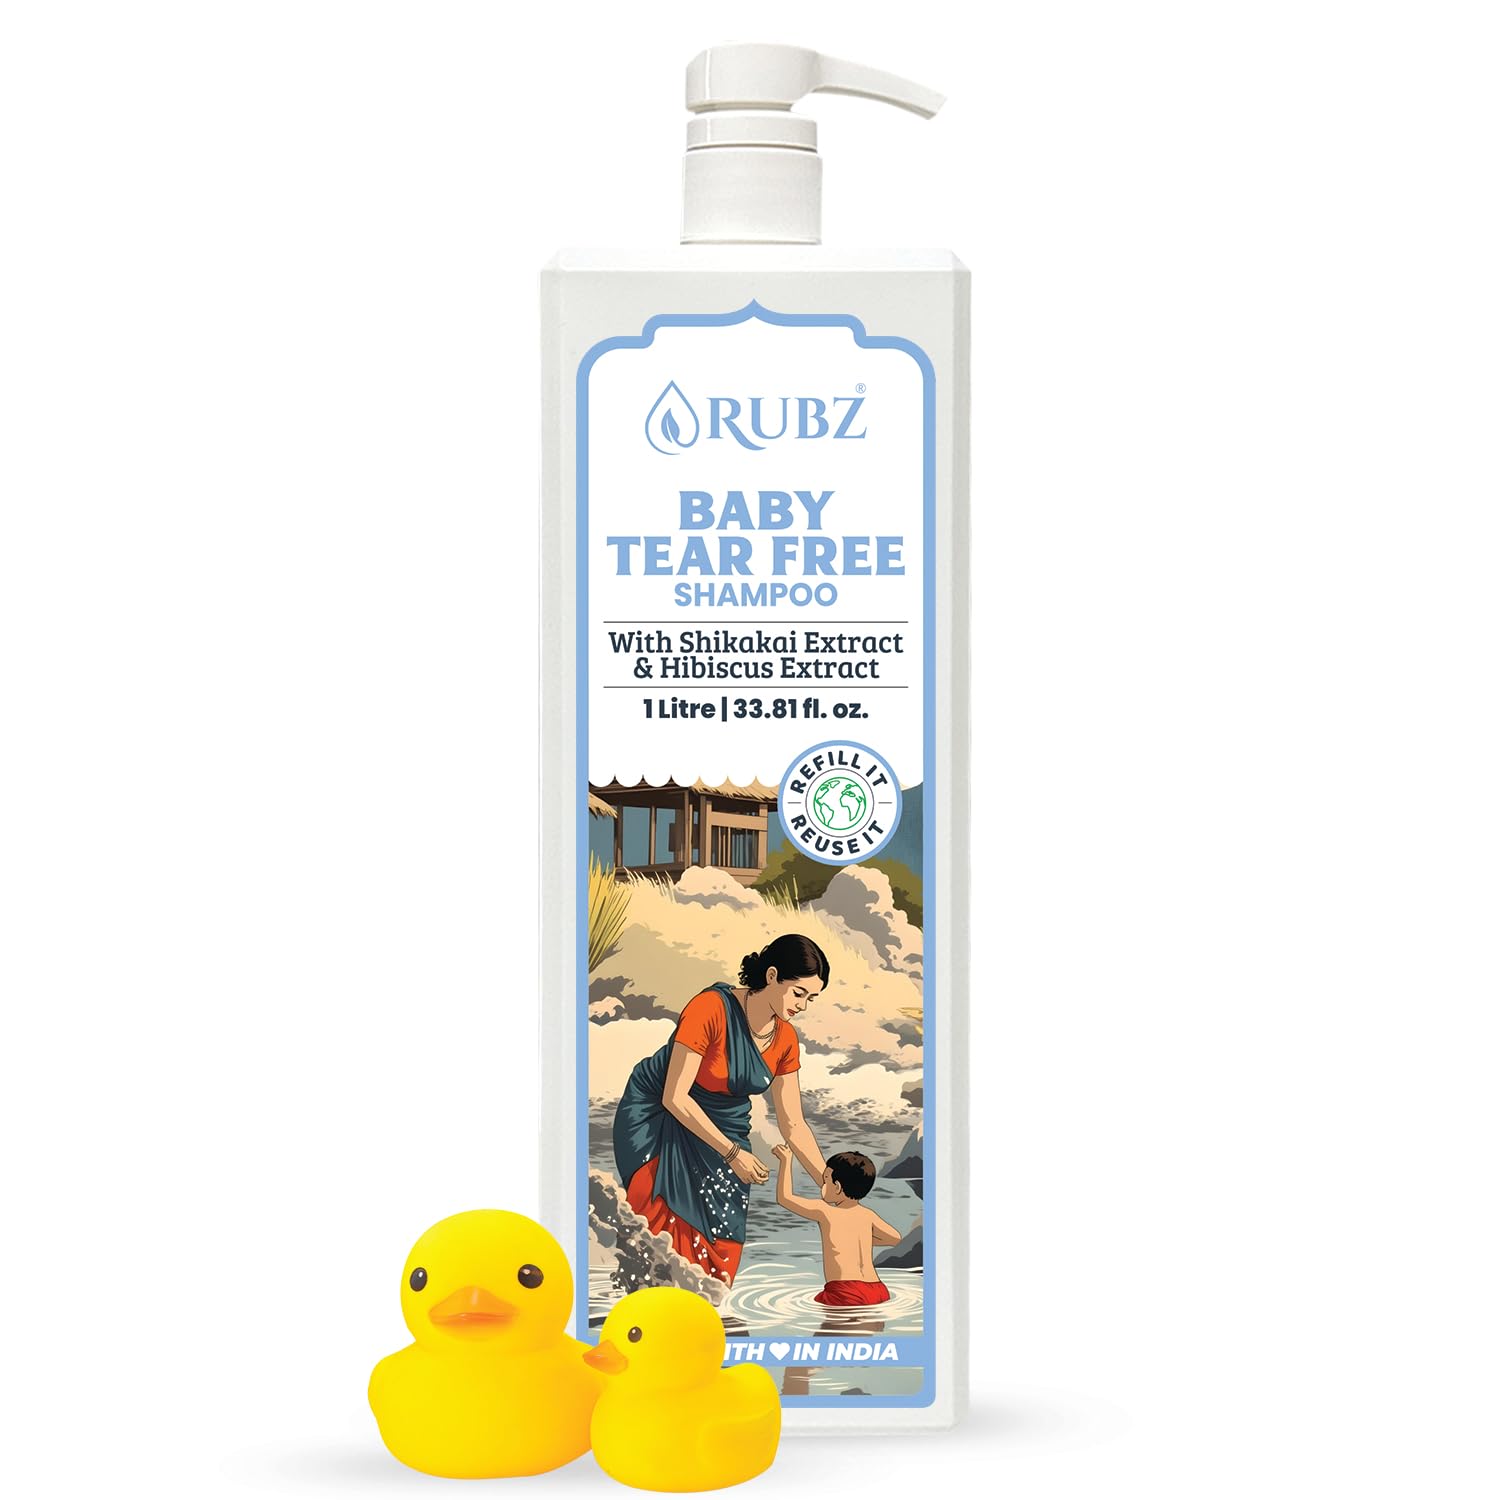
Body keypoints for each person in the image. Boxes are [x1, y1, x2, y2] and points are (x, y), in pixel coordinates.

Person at [612, 934, 831, 1288]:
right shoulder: (710, 1008)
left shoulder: (786, 1039)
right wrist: (733, 1154)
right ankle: (653, 1299)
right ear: (772, 976)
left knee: (724, 1234)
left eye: (811, 998)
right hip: (659, 1116)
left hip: (725, 1123)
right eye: (798, 993)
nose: (803, 1006)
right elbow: (675, 1096)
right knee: (660, 1225)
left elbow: (793, 1123)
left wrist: (827, 1181)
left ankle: (708, 1307)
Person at [772, 1145, 903, 1306]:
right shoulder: (868, 1215)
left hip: (845, 1291)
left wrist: (786, 1160)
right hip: (878, 1289)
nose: (822, 1185)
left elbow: (784, 1198)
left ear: (838, 1187)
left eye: (826, 1180)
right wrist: (862, 1240)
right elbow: (895, 1238)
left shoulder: (825, 1211)